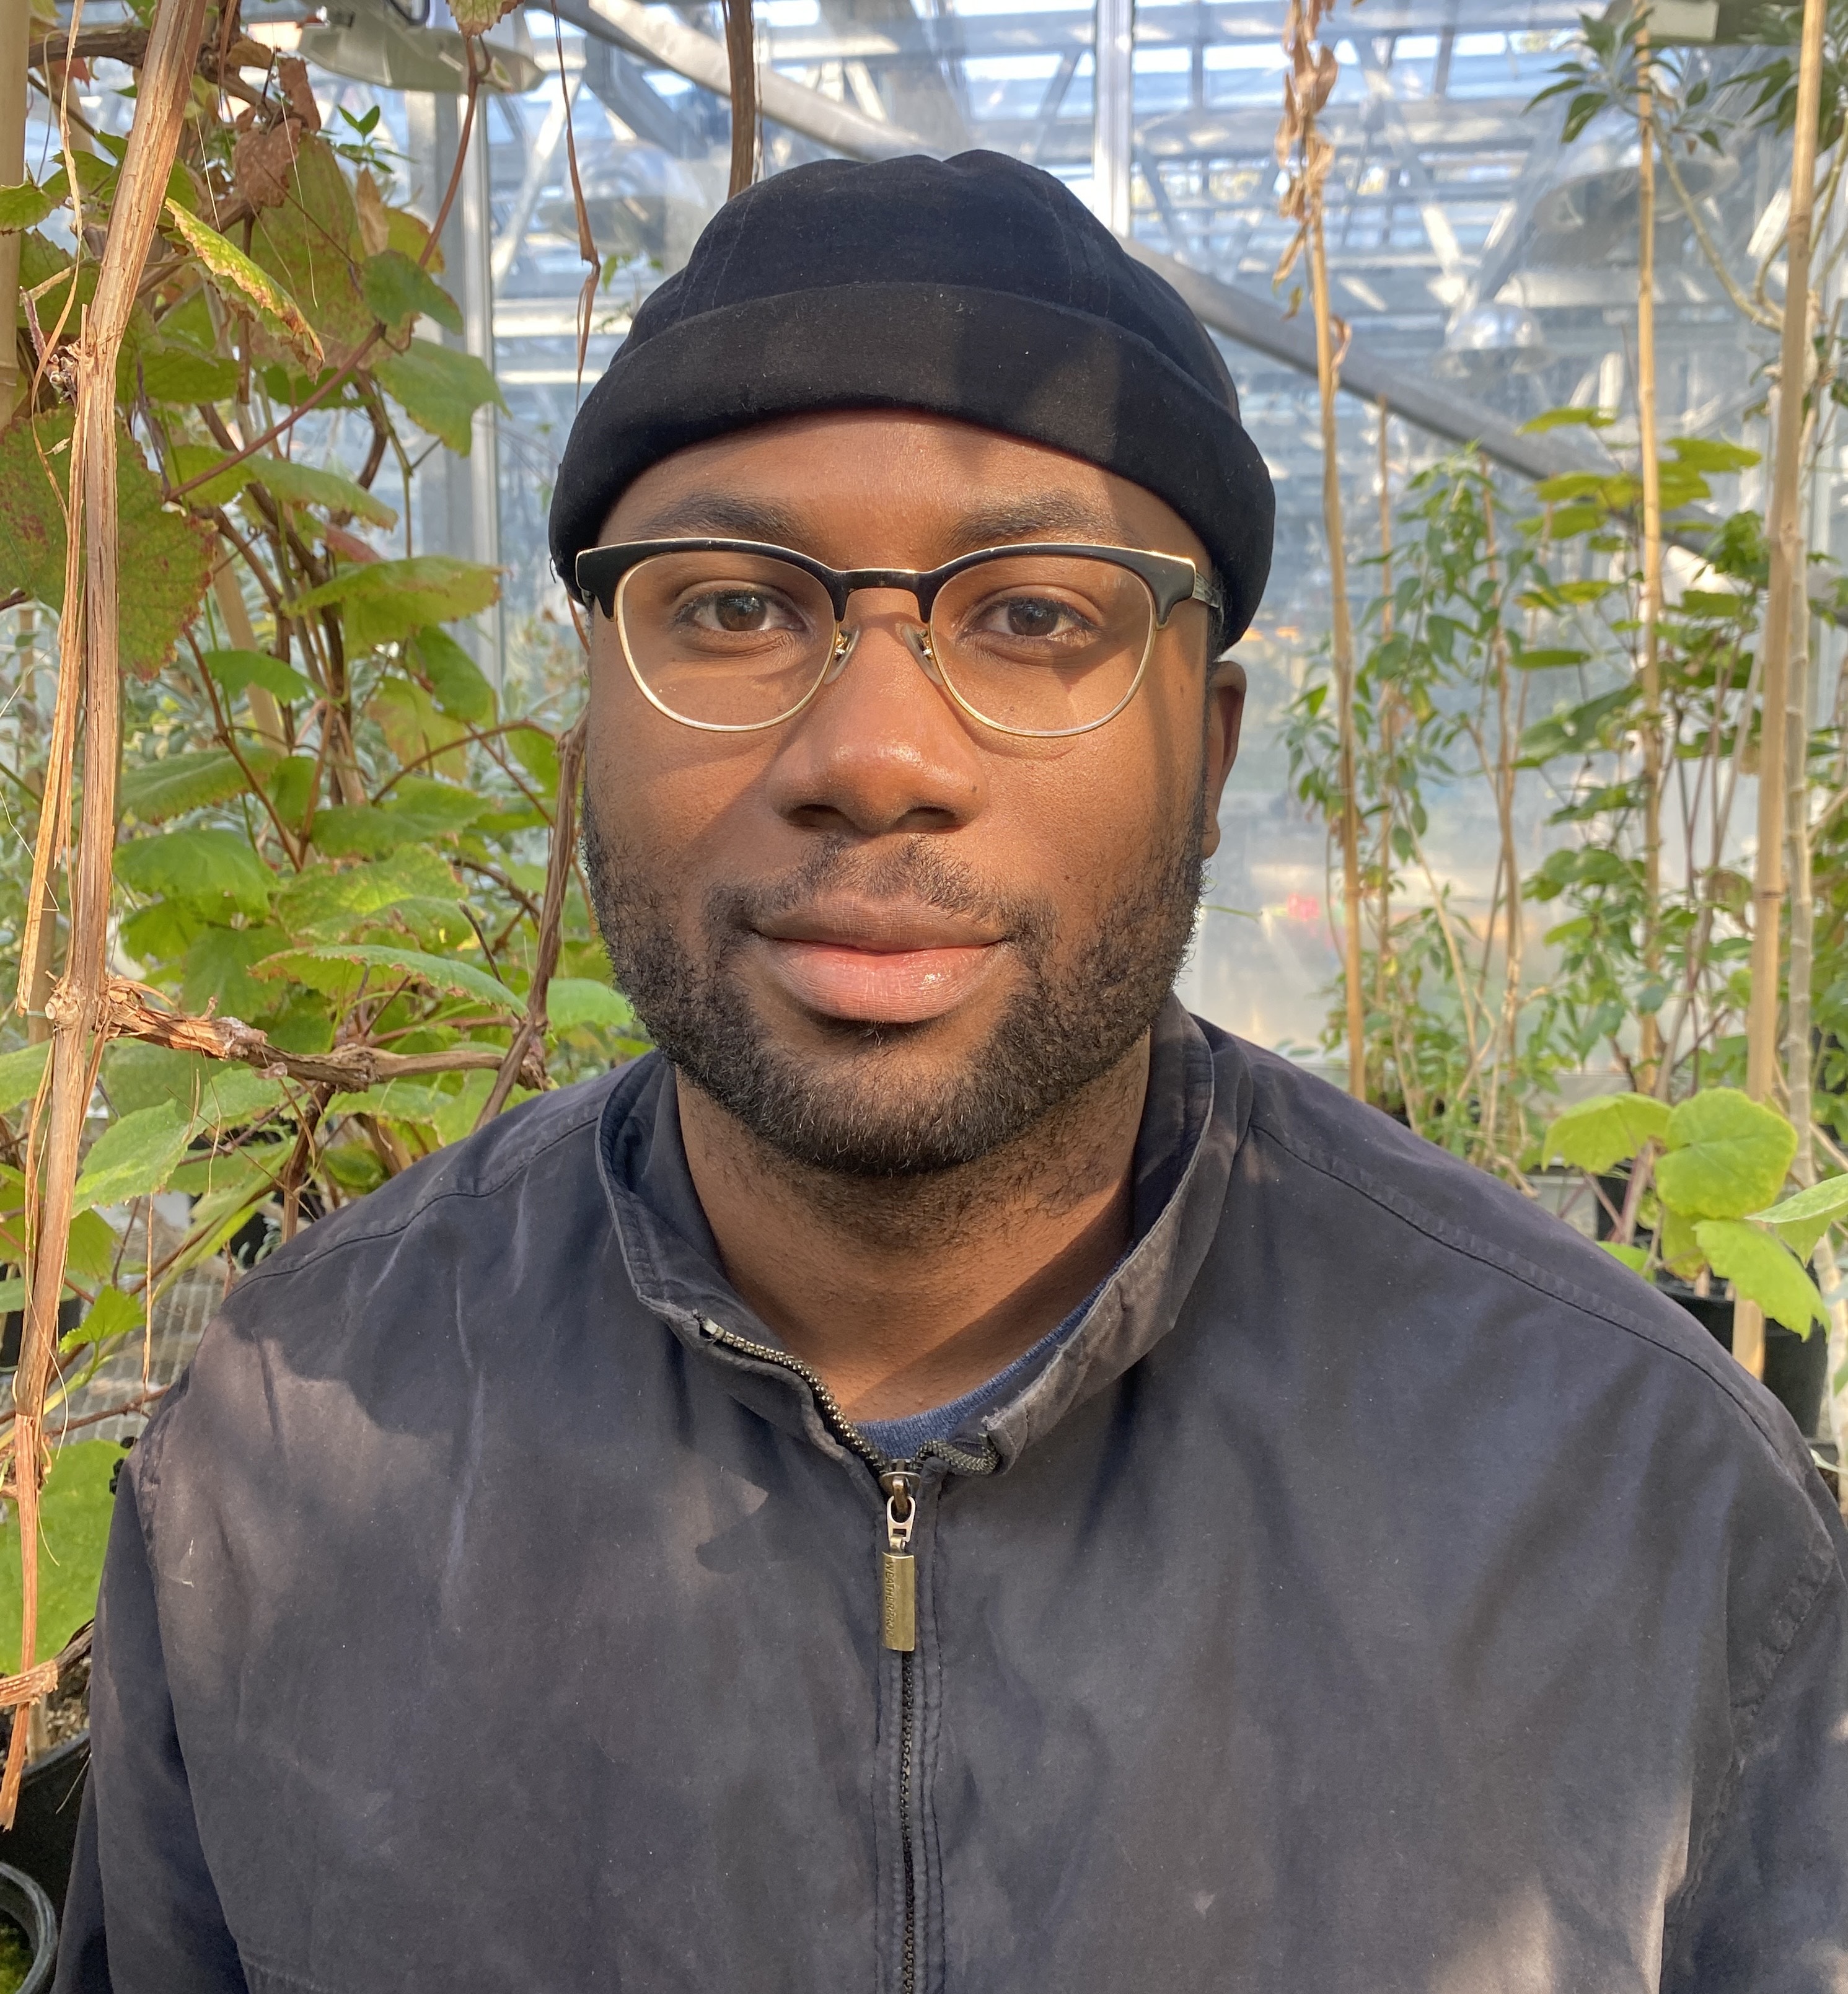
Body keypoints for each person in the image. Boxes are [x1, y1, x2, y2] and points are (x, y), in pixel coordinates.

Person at [58, 151, 1846, 1993]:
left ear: (1210, 750)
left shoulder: (1625, 1501)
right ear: (593, 702)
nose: (877, 749)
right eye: (736, 607)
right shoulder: (280, 1469)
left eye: (1036, 616)